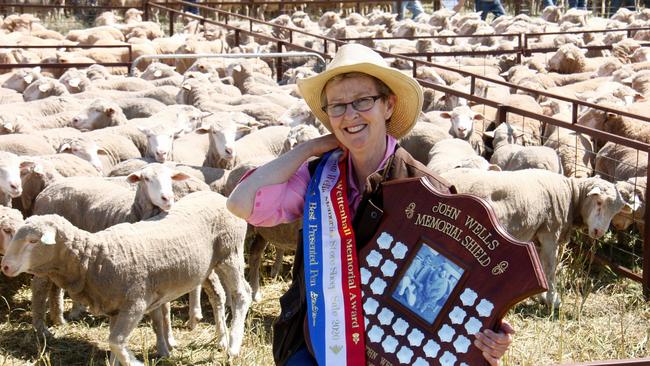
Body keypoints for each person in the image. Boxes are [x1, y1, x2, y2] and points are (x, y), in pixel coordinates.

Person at [226, 43, 515, 366]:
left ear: (388, 106)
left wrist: (492, 335)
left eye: (363, 101)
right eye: (337, 106)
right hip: (317, 340)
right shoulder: (317, 179)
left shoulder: (426, 190)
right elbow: (240, 203)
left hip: (394, 346)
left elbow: (461, 279)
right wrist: (308, 149)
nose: (350, 115)